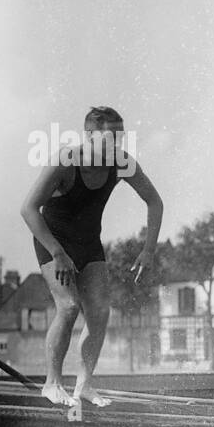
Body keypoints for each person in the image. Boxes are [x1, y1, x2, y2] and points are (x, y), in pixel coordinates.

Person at [21, 106, 163, 407]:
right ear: (88, 136)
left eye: (119, 138)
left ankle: (84, 387)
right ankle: (52, 384)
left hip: (89, 244)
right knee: (69, 307)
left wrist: (148, 250)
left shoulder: (122, 163)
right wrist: (58, 253)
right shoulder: (65, 161)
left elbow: (154, 202)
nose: (116, 145)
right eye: (109, 138)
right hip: (53, 243)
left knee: (99, 312)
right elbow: (29, 209)